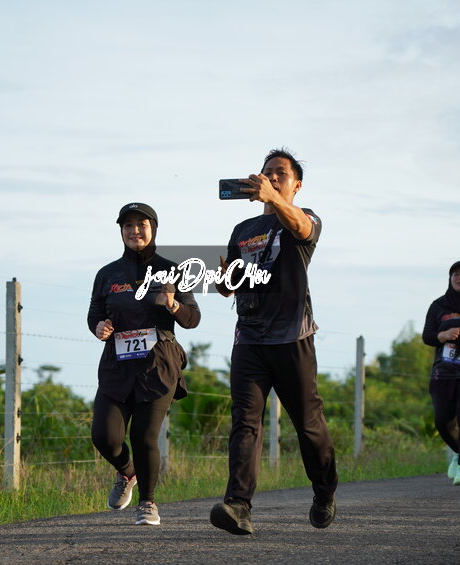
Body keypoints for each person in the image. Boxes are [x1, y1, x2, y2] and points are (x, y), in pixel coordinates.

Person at [210, 147, 338, 535]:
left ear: (297, 185)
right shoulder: (243, 230)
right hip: (249, 339)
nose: (272, 176)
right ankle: (238, 505)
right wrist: (224, 281)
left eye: (281, 173)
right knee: (245, 421)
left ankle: (324, 491)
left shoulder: (305, 217)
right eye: (268, 171)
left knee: (308, 424)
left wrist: (275, 200)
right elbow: (231, 285)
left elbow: (301, 227)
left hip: (292, 337)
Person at [88, 202, 201, 524]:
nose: (135, 231)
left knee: (144, 437)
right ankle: (127, 472)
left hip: (158, 365)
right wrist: (99, 327)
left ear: (153, 229)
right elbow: (95, 313)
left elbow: (192, 319)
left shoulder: (173, 270)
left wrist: (173, 304)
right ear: (121, 231)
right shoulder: (107, 274)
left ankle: (147, 503)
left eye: (142, 225)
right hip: (117, 365)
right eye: (128, 225)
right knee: (104, 436)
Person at [422, 260, 460, 486]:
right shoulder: (438, 306)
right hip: (443, 373)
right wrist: (442, 336)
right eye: (456, 274)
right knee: (442, 421)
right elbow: (427, 336)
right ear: (450, 278)